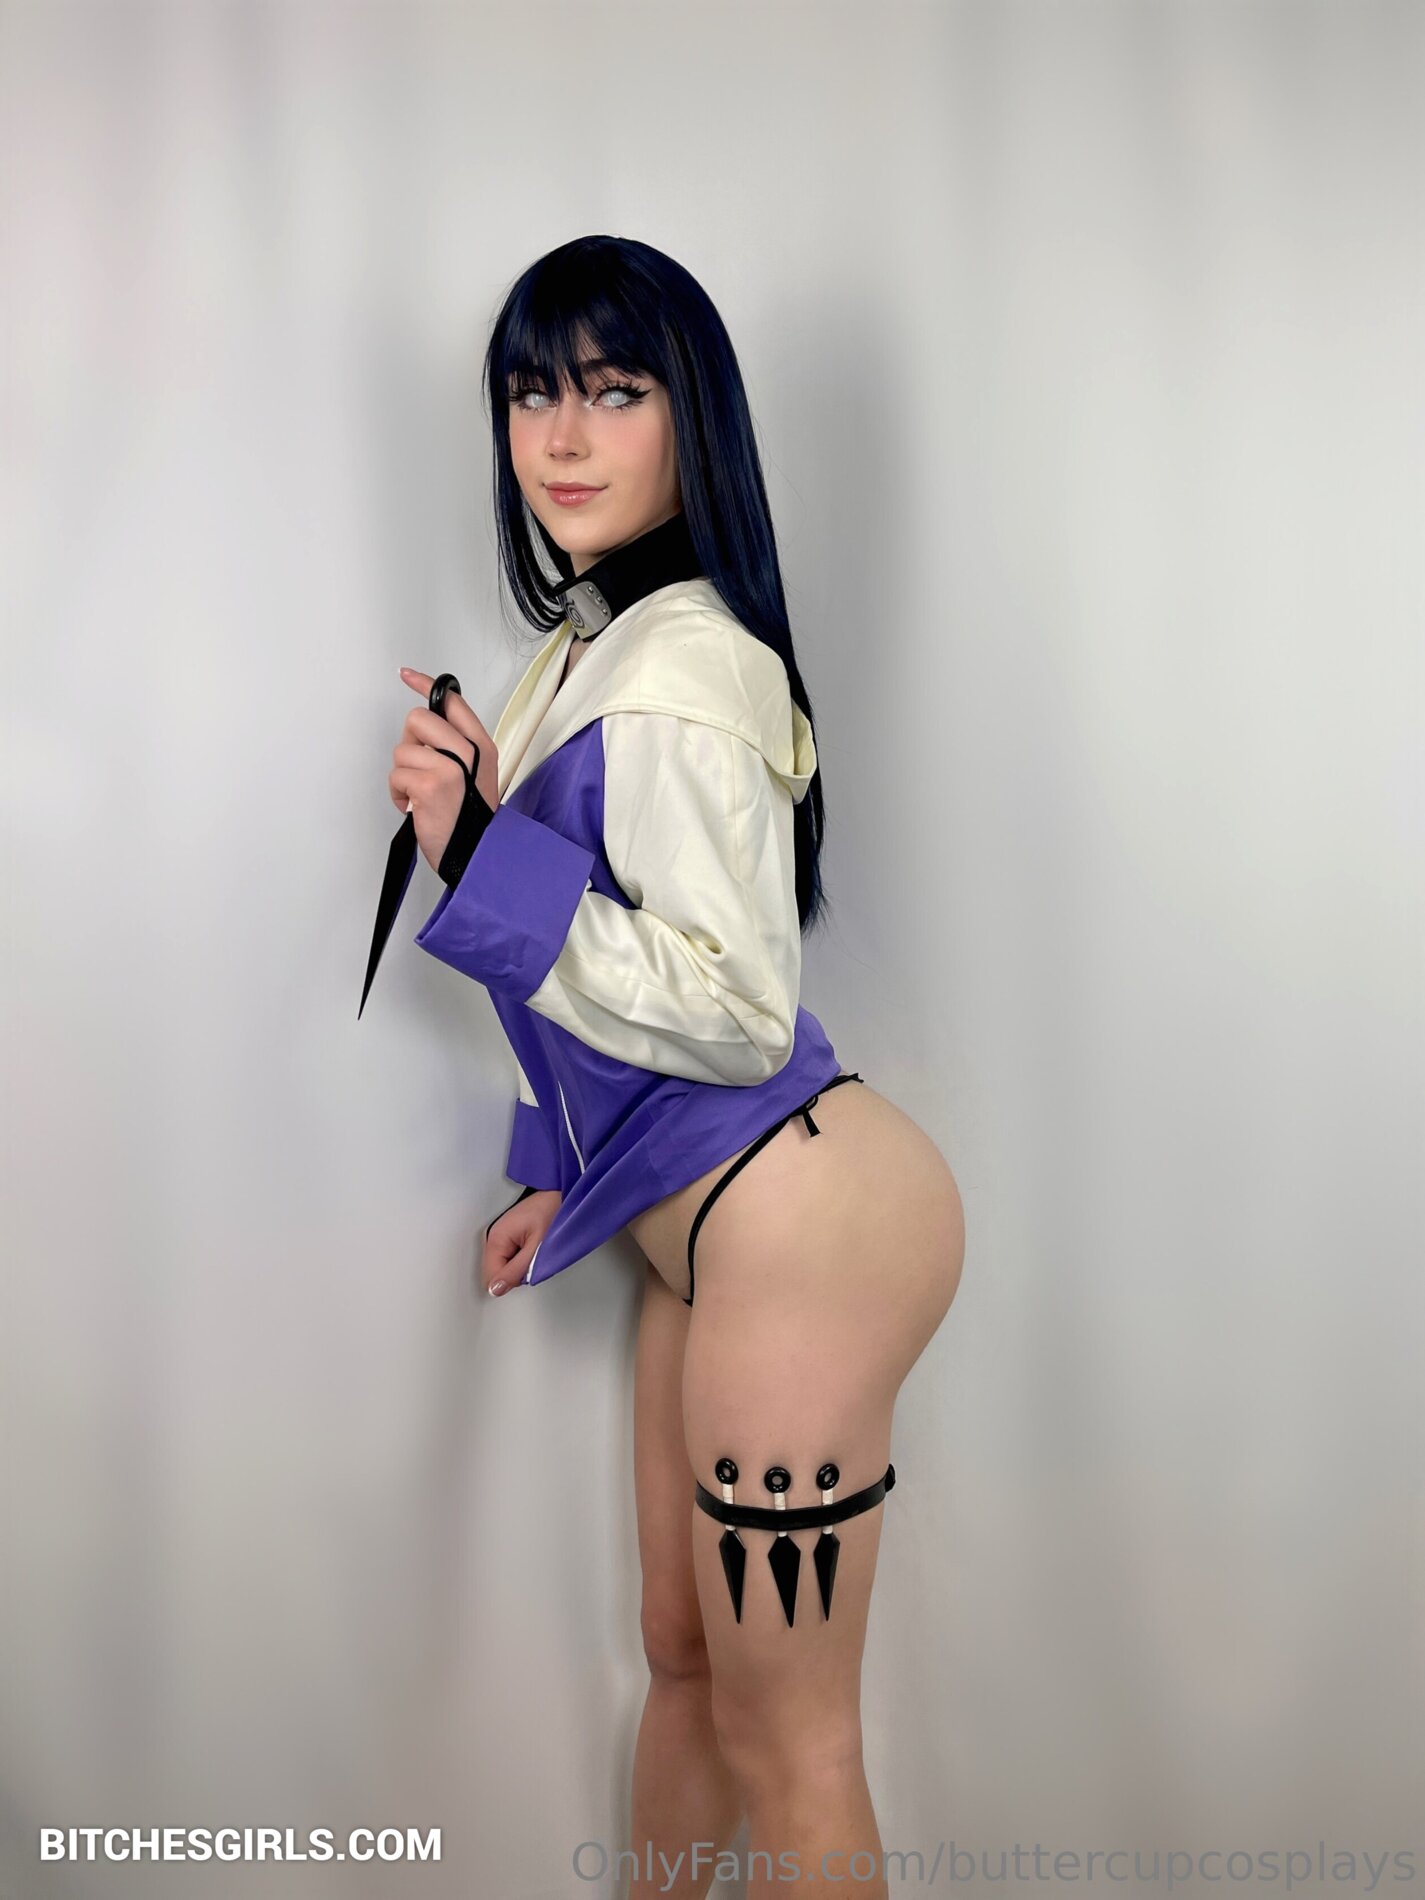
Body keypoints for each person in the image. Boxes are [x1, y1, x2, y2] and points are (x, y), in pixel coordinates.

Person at [381, 235, 965, 1898]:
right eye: (531, 393)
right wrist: (553, 1171)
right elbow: (595, 988)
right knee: (683, 1652)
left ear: (686, 416)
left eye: (614, 391)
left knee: (798, 1739)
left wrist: (476, 852)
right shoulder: (588, 648)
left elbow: (727, 1006)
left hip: (806, 1228)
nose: (561, 437)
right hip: (704, 1222)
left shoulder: (692, 664)